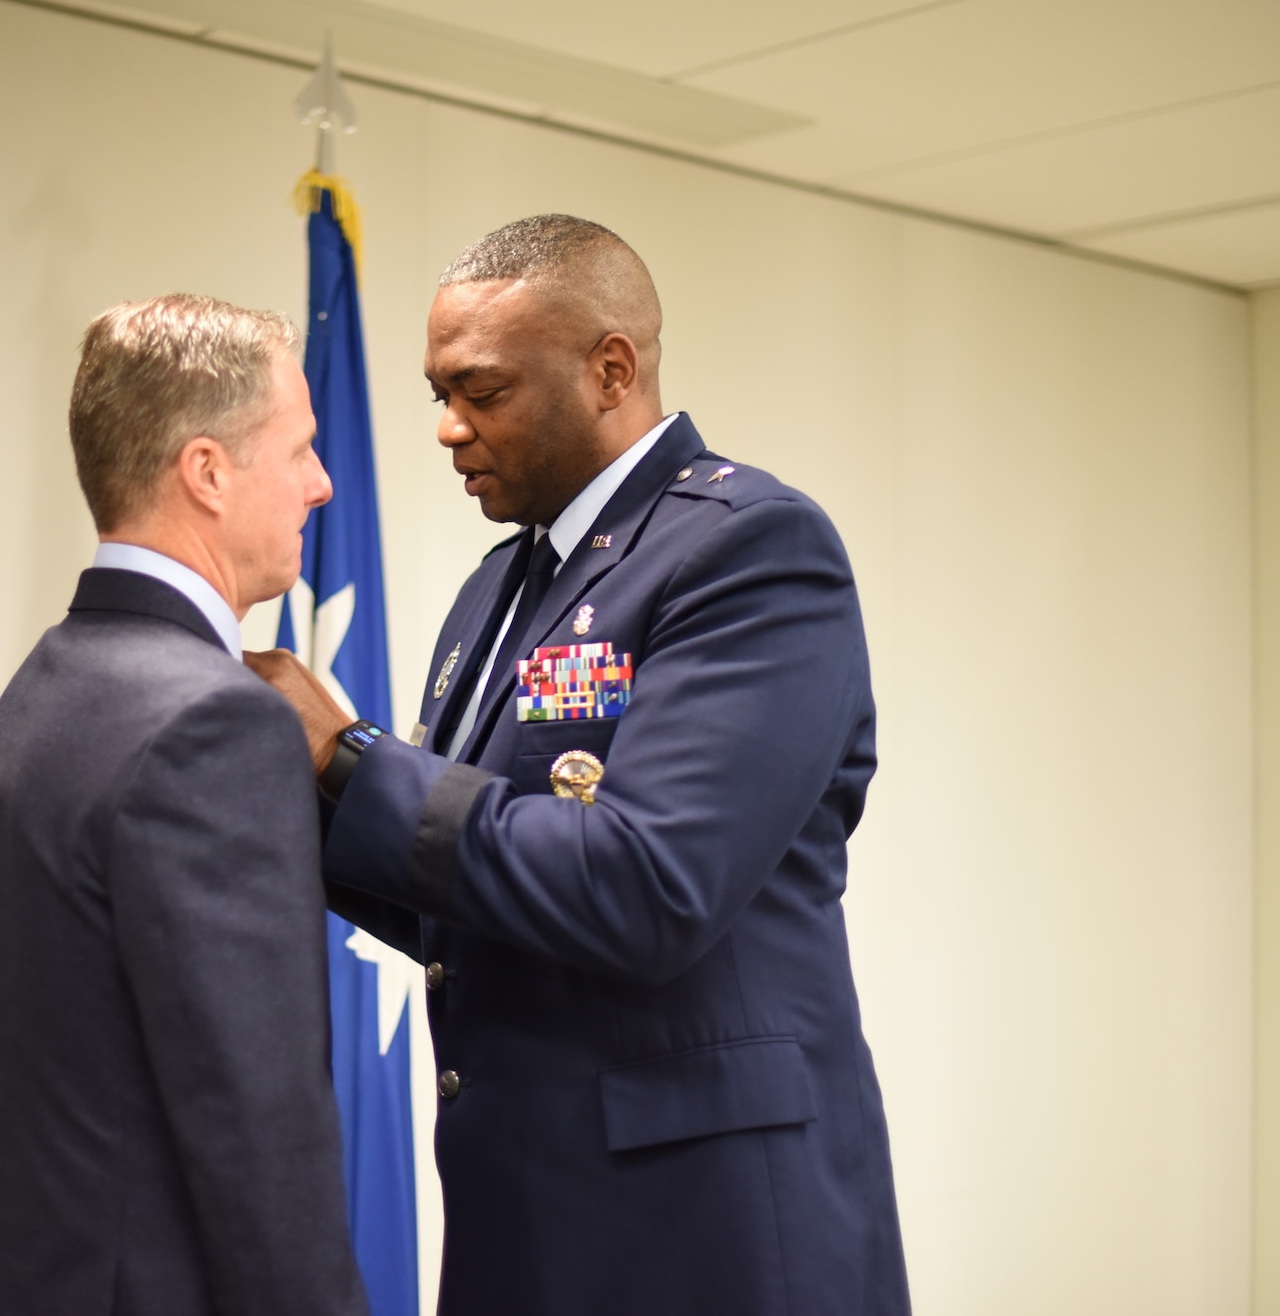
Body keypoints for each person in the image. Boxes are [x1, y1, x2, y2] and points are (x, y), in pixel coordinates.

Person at [250, 216, 910, 1315]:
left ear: (611, 370)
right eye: (437, 397)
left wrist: (350, 757)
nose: (450, 429)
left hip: (703, 1230)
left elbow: (646, 885)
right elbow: (469, 897)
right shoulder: (501, 587)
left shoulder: (745, 549)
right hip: (528, 1211)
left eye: (483, 392)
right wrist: (283, 786)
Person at [0, 294, 368, 1316]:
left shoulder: (42, 687)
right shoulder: (214, 726)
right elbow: (260, 1130)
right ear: (207, 473)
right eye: (300, 449)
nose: (320, 484)